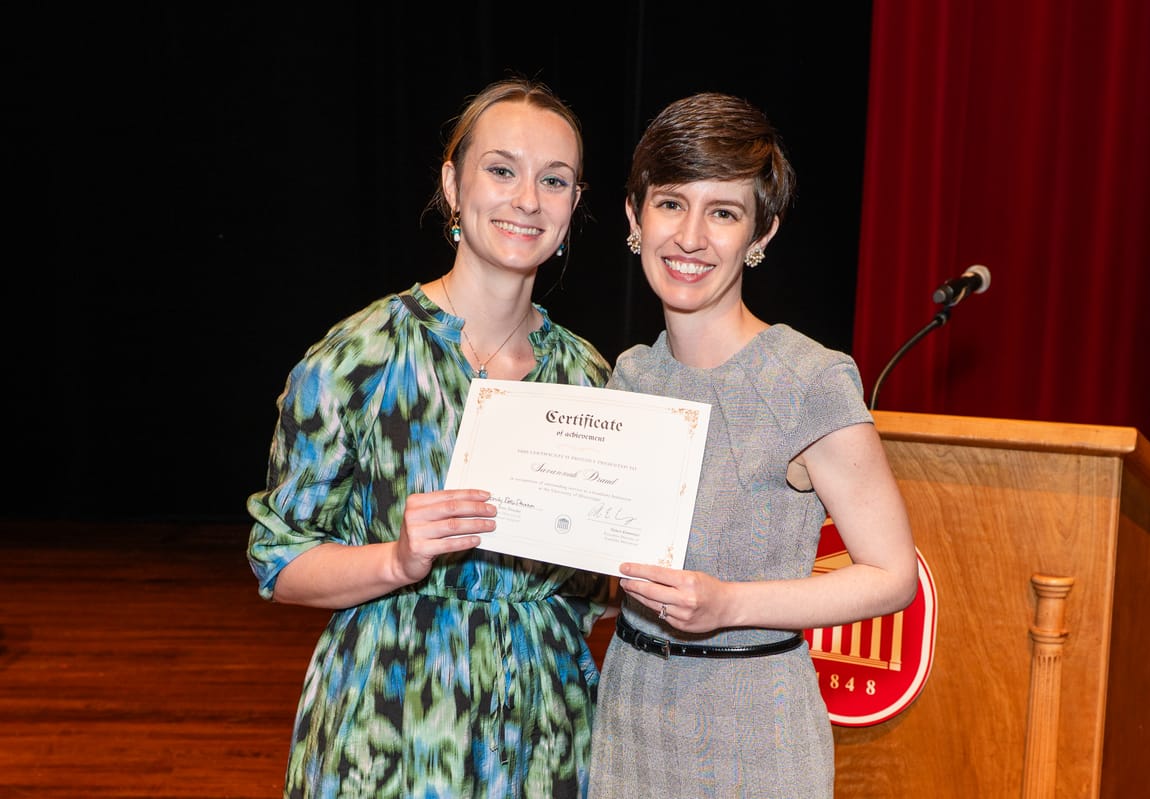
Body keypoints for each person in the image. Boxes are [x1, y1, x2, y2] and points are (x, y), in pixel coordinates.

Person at [246, 78, 612, 799]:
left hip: (546, 724)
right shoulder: (360, 357)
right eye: (501, 170)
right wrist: (398, 559)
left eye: (554, 180)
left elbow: (598, 585)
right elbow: (277, 561)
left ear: (574, 207)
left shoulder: (592, 379)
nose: (527, 199)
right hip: (392, 718)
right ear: (452, 184)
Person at [588, 92, 918, 798]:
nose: (691, 236)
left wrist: (728, 604)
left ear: (761, 235)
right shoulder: (630, 375)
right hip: (629, 712)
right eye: (671, 203)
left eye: (725, 212)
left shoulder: (809, 378)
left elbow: (891, 575)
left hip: (753, 724)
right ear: (633, 217)